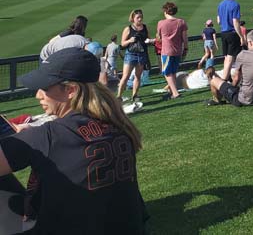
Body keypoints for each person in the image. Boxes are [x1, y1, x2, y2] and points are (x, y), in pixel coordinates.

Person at [0, 48, 148, 233]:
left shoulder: (46, 137)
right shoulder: (119, 126)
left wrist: (23, 139)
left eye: (45, 87)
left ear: (71, 90)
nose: (38, 95)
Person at [206, 30, 253, 106]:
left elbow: (236, 79)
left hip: (246, 99)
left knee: (214, 81)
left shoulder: (243, 54)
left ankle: (217, 100)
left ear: (250, 42)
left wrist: (230, 89)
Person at [117, 9, 153, 102]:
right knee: (125, 76)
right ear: (133, 18)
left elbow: (148, 39)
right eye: (138, 17)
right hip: (131, 54)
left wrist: (149, 41)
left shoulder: (145, 27)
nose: (140, 19)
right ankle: (119, 96)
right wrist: (130, 40)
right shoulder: (128, 29)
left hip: (141, 54)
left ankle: (135, 95)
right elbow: (122, 44)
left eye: (141, 17)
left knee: (138, 76)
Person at [156, 1, 188, 100]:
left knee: (167, 73)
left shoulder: (161, 23)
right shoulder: (181, 22)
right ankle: (172, 92)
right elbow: (185, 38)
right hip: (177, 50)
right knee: (173, 72)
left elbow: (158, 37)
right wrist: (185, 48)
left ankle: (175, 93)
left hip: (166, 51)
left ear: (165, 11)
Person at [217, 0, 245, 82]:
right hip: (232, 33)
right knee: (231, 58)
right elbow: (235, 22)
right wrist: (241, 36)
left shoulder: (220, 4)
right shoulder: (235, 4)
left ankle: (227, 76)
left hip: (223, 33)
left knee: (227, 57)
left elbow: (219, 21)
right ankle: (224, 80)